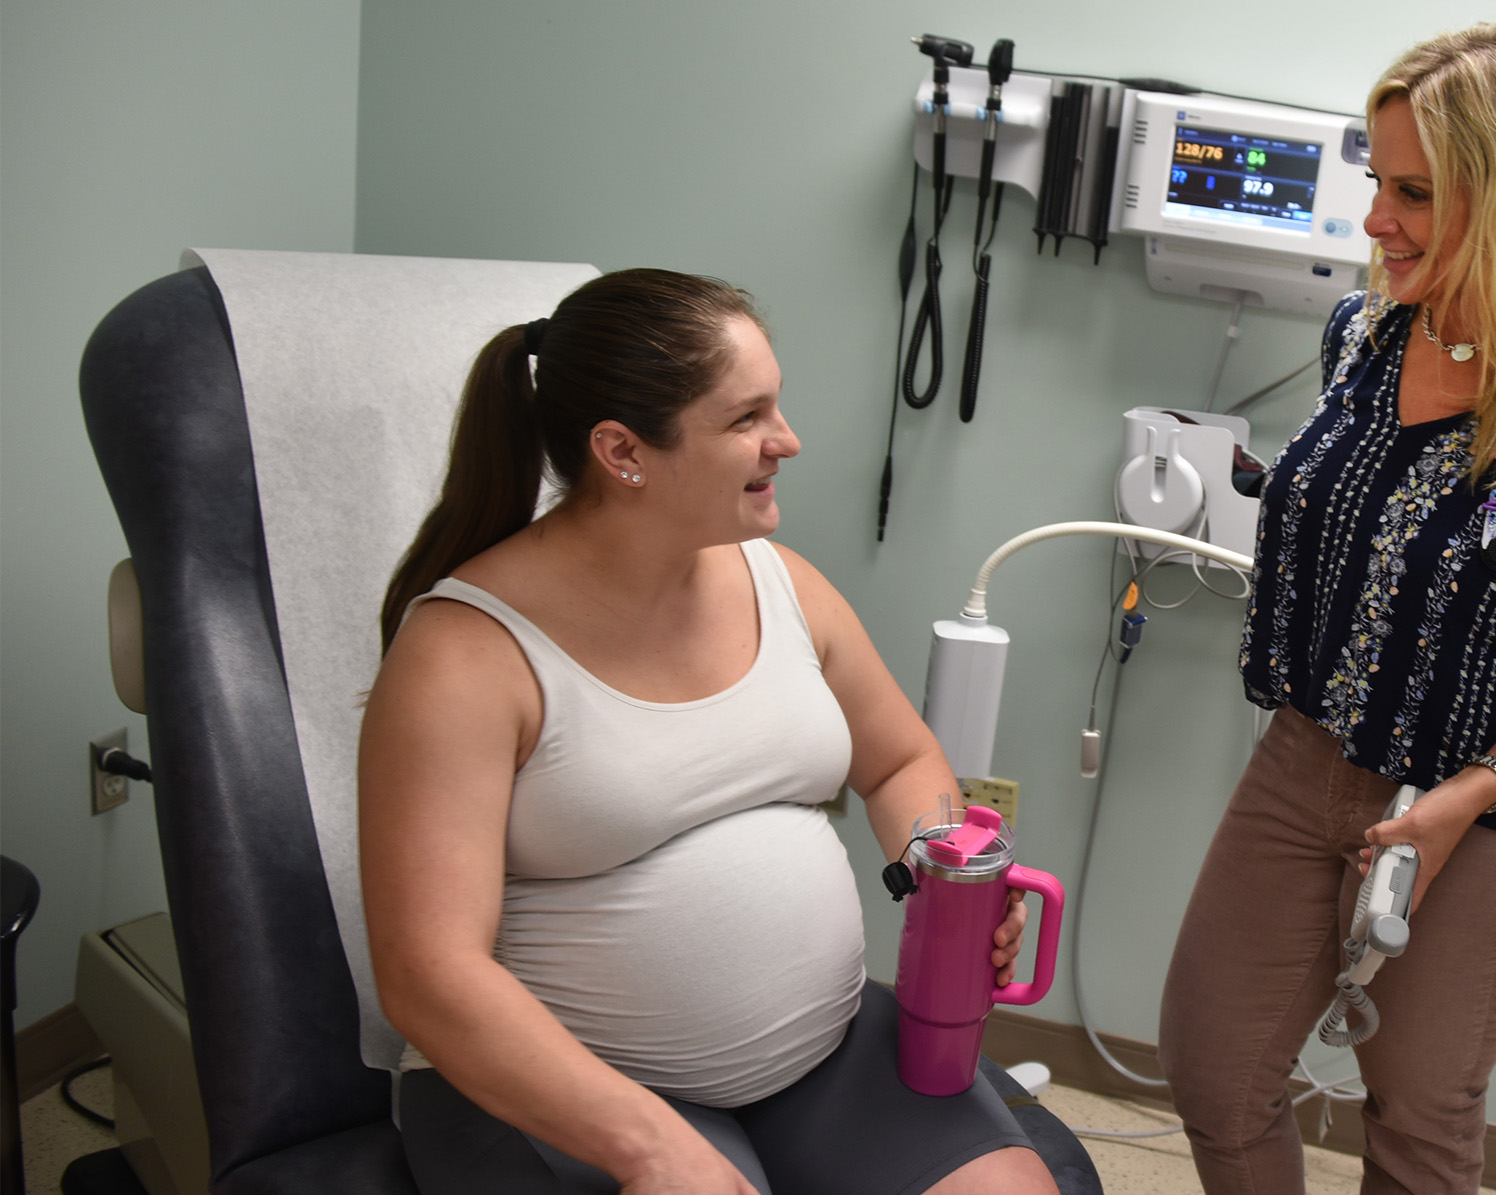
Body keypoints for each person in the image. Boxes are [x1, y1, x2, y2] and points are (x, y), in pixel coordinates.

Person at [359, 268, 1060, 1195]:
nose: (788, 440)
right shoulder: (465, 654)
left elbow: (894, 760)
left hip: (825, 1055)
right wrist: (648, 1144)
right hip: (575, 1090)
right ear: (622, 450)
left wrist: (945, 869)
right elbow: (427, 972)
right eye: (746, 418)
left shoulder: (780, 579)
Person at [1157, 23, 1496, 1195]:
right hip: (1304, 766)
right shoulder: (1363, 337)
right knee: (1215, 1072)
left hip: (1486, 817)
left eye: (1414, 192)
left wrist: (1473, 794)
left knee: (1415, 1123)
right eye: (1376, 183)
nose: (1374, 221)